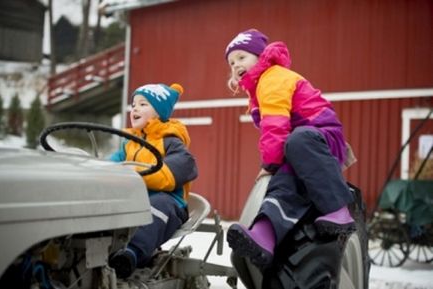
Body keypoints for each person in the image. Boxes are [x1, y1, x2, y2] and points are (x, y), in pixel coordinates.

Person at [224, 29, 356, 270]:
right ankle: (265, 235)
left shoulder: (273, 77)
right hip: (297, 146)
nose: (235, 65)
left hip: (321, 137)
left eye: (241, 57)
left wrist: (270, 163)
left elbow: (275, 126)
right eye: (231, 63)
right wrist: (276, 167)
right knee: (283, 183)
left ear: (259, 56)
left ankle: (338, 208)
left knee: (294, 143)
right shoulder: (257, 91)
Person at [108, 83, 198, 279]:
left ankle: (132, 252)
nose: (135, 109)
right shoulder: (129, 143)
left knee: (159, 203)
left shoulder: (171, 141)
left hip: (169, 204)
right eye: (133, 105)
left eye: (143, 104)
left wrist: (136, 173)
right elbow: (110, 165)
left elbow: (182, 167)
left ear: (159, 112)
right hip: (135, 202)